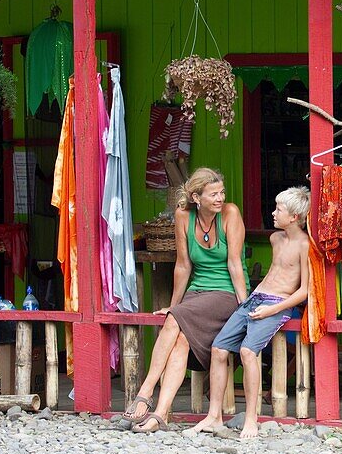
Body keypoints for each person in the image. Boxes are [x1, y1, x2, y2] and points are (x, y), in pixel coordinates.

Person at [123, 168, 248, 433]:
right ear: (196, 197)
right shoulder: (183, 217)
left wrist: (244, 304)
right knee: (179, 337)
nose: (220, 198)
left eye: (222, 192)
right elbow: (182, 266)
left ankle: (145, 391)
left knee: (173, 320)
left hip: (225, 293)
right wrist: (174, 304)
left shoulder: (231, 214)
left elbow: (235, 264)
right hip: (197, 293)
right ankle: (160, 414)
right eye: (213, 194)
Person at [184, 186, 311, 439]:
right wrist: (253, 302)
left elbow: (303, 291)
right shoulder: (275, 238)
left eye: (279, 210)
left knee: (247, 351)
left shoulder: (305, 245)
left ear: (295, 217)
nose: (273, 213)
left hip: (278, 304)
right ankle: (214, 416)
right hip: (255, 298)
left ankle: (251, 419)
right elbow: (274, 274)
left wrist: (271, 310)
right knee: (218, 349)